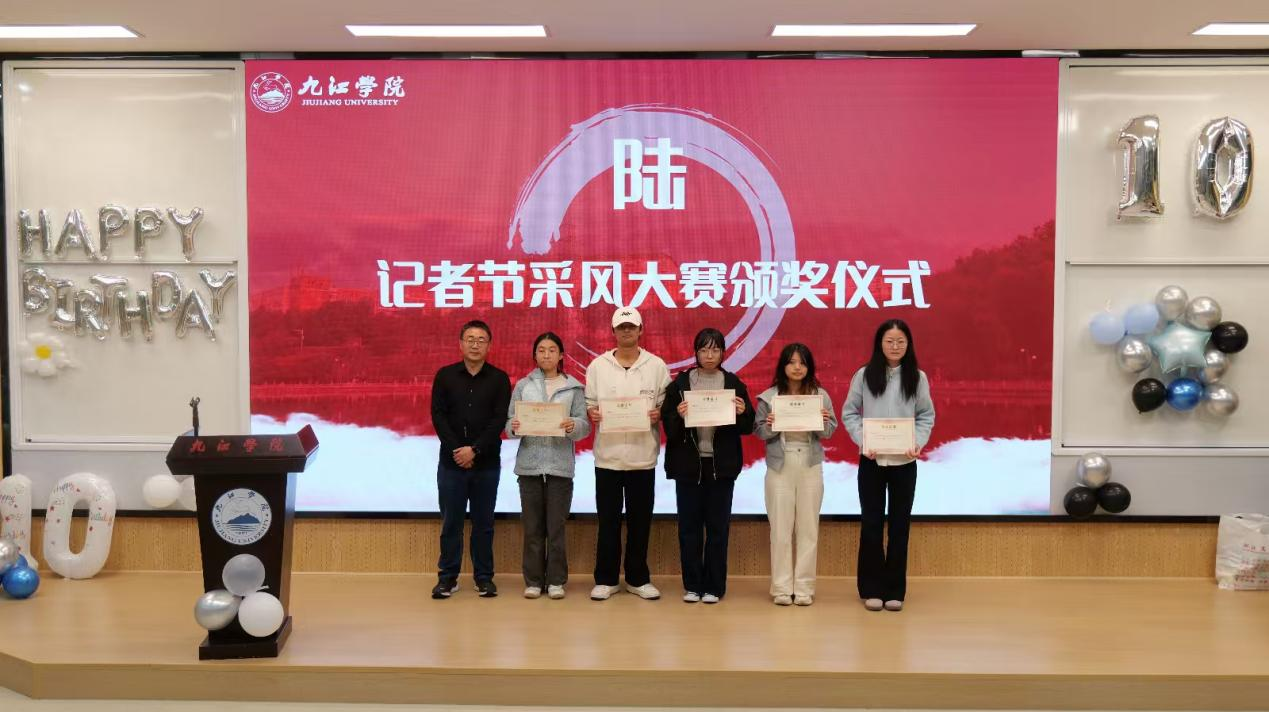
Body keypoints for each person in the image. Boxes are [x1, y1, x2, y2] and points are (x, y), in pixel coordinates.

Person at [841, 319, 935, 613]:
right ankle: (872, 588)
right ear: (879, 344)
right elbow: (849, 413)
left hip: (904, 462)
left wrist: (917, 442)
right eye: (889, 341)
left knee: (899, 525)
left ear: (908, 345)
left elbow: (926, 415)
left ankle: (895, 590)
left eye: (900, 341)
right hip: (872, 460)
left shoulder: (917, 377)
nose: (895, 346)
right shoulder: (864, 375)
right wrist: (863, 440)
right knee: (871, 524)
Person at [660, 328, 755, 604]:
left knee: (717, 530)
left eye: (715, 350)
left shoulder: (733, 383)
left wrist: (742, 412)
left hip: (720, 468)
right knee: (688, 529)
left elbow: (747, 426)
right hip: (688, 467)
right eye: (704, 350)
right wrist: (678, 416)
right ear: (696, 352)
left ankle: (714, 586)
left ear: (723, 352)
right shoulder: (680, 385)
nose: (709, 355)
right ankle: (692, 585)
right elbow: (669, 429)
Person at [584, 306, 671, 601]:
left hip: (642, 457)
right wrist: (592, 412)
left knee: (640, 522)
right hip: (607, 457)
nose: (626, 331)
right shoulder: (598, 366)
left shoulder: (656, 365)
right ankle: (606, 579)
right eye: (621, 327)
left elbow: (665, 403)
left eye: (631, 326)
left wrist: (660, 413)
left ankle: (637, 578)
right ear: (613, 331)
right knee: (607, 522)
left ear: (640, 330)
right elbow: (589, 402)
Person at [429, 320, 511, 599]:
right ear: (461, 344)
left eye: (481, 340)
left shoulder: (499, 379)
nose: (475, 344)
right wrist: (458, 450)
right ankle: (447, 578)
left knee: (483, 523)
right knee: (451, 522)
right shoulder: (445, 376)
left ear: (489, 345)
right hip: (451, 463)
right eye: (470, 339)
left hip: (486, 463)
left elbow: (499, 420)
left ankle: (484, 578)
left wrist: (474, 450)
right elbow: (438, 416)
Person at [506, 332, 591, 600]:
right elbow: (509, 424)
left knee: (556, 528)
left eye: (552, 350)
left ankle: (555, 581)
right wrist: (514, 427)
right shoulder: (523, 385)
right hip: (529, 467)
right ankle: (533, 581)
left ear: (561, 355)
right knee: (532, 528)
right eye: (541, 350)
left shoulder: (574, 388)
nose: (546, 355)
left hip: (560, 468)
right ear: (535, 355)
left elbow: (585, 425)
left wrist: (573, 425)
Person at [753, 343, 837, 606]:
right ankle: (781, 587)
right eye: (791, 362)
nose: (797, 367)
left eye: (802, 362)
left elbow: (829, 431)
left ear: (809, 366)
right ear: (783, 366)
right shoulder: (769, 397)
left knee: (808, 528)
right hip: (780, 464)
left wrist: (823, 421)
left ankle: (804, 588)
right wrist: (771, 425)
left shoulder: (819, 396)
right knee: (780, 529)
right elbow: (759, 432)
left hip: (810, 463)